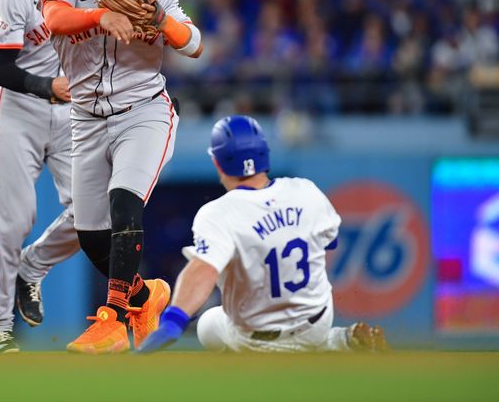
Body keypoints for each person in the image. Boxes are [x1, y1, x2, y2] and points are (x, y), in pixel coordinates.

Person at [40, 0, 204, 354]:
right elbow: (54, 20)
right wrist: (99, 16)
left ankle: (111, 322)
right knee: (92, 236)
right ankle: (146, 297)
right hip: (87, 120)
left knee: (124, 201)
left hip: (143, 111)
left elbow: (194, 44)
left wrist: (161, 22)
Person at [138, 115, 388, 353]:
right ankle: (335, 342)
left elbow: (203, 270)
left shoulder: (217, 212)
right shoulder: (306, 191)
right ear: (264, 154)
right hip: (317, 323)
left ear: (218, 162)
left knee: (208, 324)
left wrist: (173, 321)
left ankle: (313, 346)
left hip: (255, 338)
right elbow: (329, 244)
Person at [0, 0, 81, 353]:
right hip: (21, 110)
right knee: (13, 223)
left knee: (94, 215)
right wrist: (49, 87)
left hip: (72, 113)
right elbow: (2, 71)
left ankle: (32, 267)